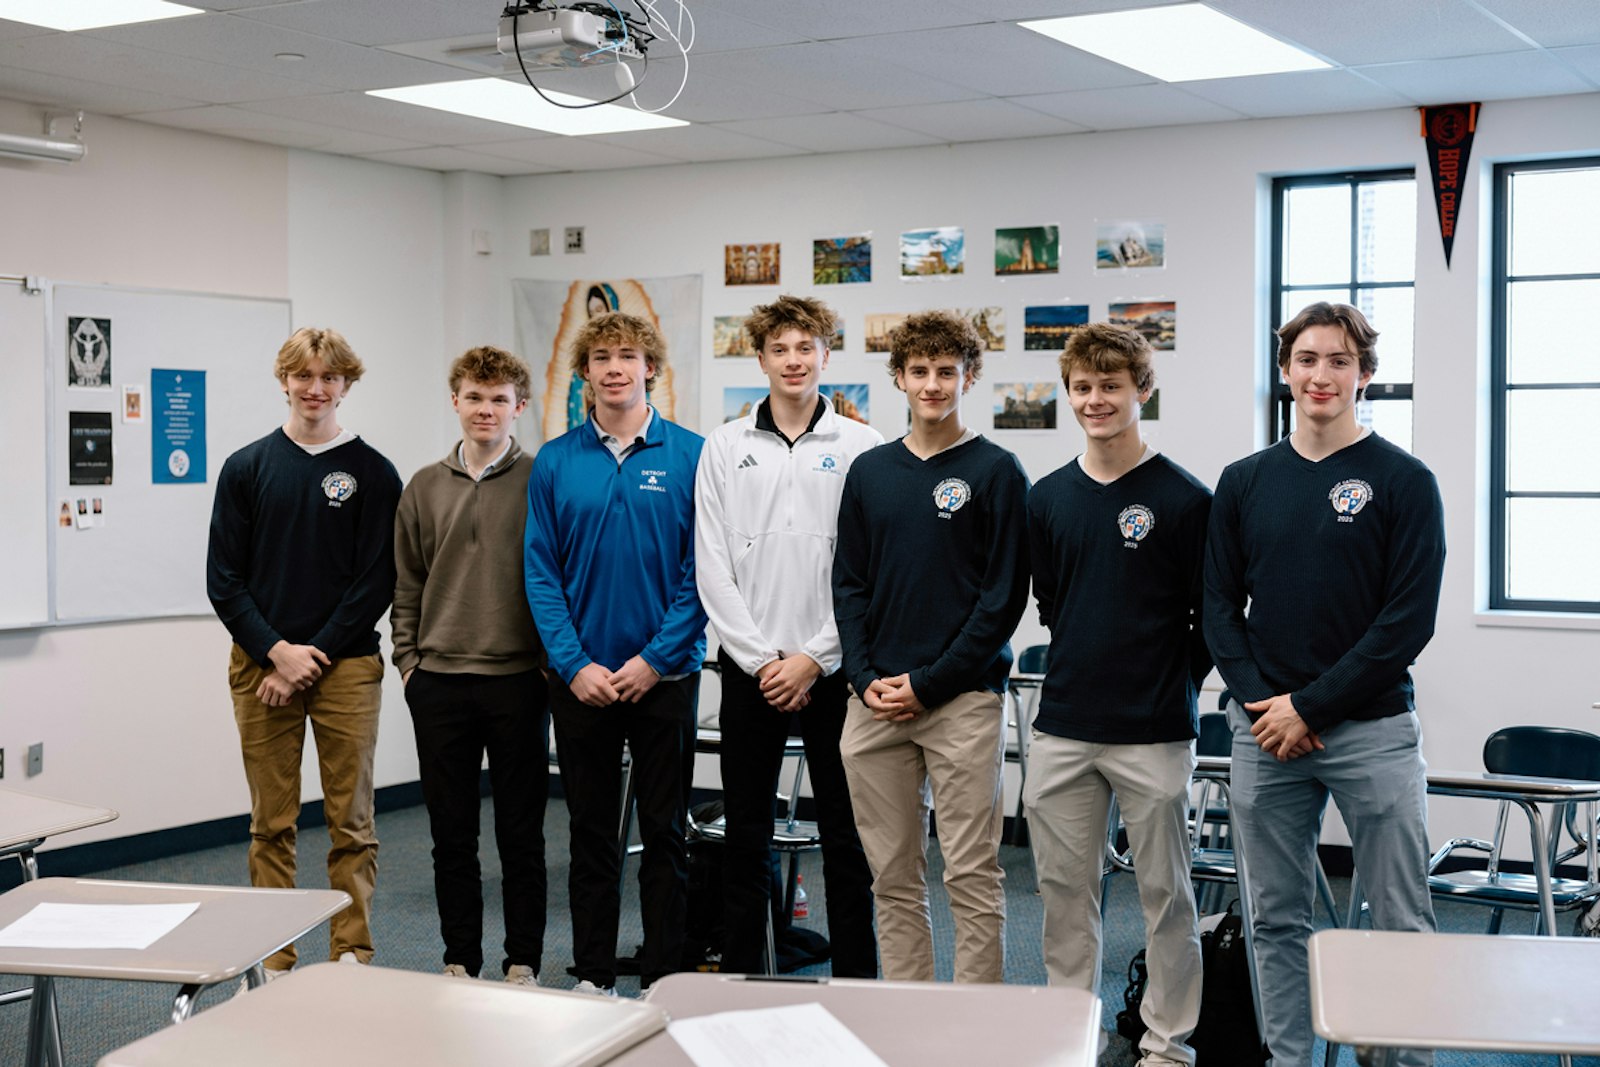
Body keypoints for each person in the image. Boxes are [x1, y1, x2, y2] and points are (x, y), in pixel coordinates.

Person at [1204, 302, 1445, 1067]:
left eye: (1339, 361)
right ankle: (1287, 1058)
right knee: (1274, 917)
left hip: (1370, 730)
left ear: (1364, 375)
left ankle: (1397, 1060)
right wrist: (1264, 706)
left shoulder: (1404, 481)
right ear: (1285, 370)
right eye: (1307, 359)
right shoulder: (1244, 482)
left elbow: (1405, 623)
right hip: (1263, 732)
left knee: (1399, 917)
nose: (1321, 375)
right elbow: (1216, 607)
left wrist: (1309, 705)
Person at [1024, 323, 1210, 1066]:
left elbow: (1210, 617)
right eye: (1083, 387)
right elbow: (1053, 604)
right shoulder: (1048, 498)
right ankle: (1077, 1030)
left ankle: (1167, 1043)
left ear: (1143, 390)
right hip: (1065, 725)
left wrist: (1172, 684)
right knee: (1066, 895)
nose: (1096, 399)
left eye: (1111, 385)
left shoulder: (1185, 497)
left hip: (1155, 730)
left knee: (1167, 898)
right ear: (1069, 393)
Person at [832, 309, 1031, 983]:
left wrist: (930, 682)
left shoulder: (998, 471)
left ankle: (977, 1039)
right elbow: (850, 584)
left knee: (971, 873)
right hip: (875, 702)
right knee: (891, 876)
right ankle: (909, 1023)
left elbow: (1000, 600)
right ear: (899, 378)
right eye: (919, 371)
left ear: (968, 376)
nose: (933, 384)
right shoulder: (870, 472)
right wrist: (862, 678)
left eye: (947, 371)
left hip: (962, 700)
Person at [694, 294, 883, 977]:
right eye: (780, 349)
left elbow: (867, 571)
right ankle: (747, 975)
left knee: (846, 836)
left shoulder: (864, 447)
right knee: (747, 837)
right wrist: (762, 658)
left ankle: (858, 979)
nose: (794, 360)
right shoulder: (724, 445)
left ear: (826, 355)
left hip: (835, 671)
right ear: (761, 358)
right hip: (751, 672)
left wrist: (814, 656)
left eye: (806, 348)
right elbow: (710, 563)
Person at [206, 326, 401, 977]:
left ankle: (350, 952)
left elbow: (376, 578)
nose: (315, 388)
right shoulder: (247, 467)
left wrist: (308, 654)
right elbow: (223, 579)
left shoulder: (373, 472)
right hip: (261, 668)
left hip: (344, 667)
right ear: (284, 379)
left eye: (328, 377)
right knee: (272, 823)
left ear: (346, 384)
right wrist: (274, 652)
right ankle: (275, 958)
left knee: (352, 823)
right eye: (303, 375)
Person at [524, 310, 707, 995]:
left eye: (627, 355)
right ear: (585, 373)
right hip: (582, 684)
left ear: (650, 366)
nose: (614, 368)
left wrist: (655, 659)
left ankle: (665, 976)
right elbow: (540, 572)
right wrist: (574, 665)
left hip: (667, 676)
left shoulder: (692, 454)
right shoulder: (556, 460)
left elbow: (704, 570)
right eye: (601, 356)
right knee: (592, 838)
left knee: (666, 835)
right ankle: (593, 976)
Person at [392, 346, 549, 986]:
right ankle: (461, 959)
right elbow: (406, 583)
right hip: (439, 683)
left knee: (522, 837)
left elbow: (559, 578)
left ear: (520, 406)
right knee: (452, 840)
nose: (486, 410)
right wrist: (408, 664)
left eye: (499, 399)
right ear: (455, 401)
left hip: (519, 681)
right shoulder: (423, 486)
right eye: (475, 398)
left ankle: (523, 961)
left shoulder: (544, 478)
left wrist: (545, 667)